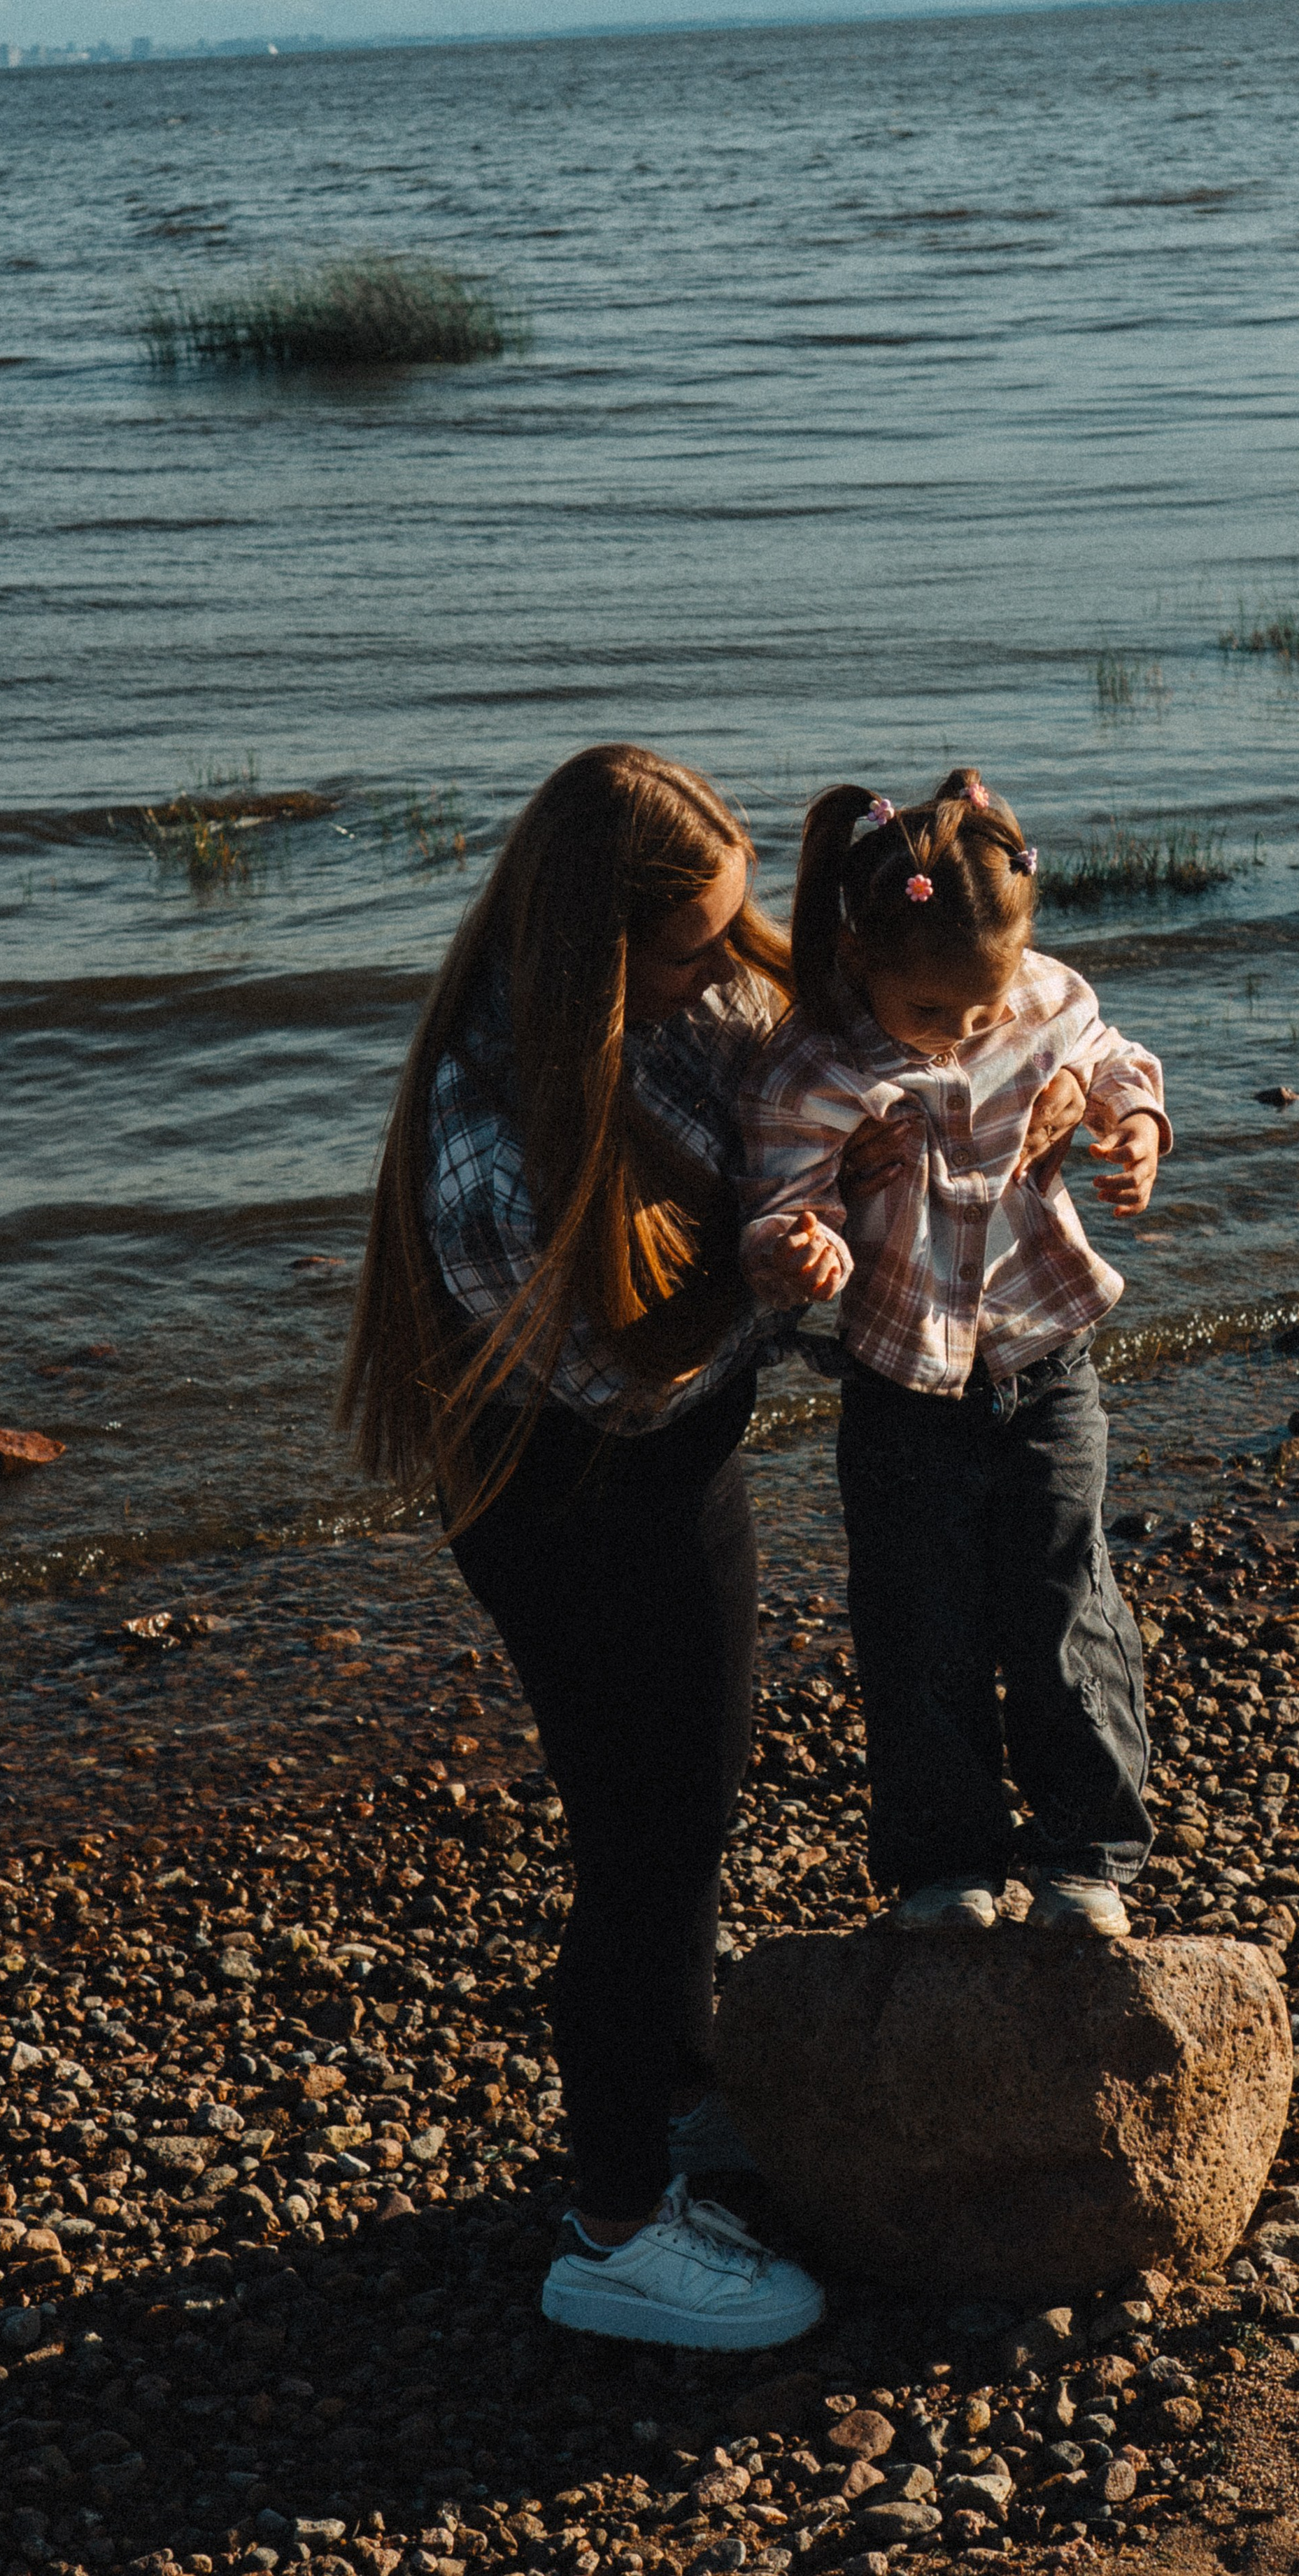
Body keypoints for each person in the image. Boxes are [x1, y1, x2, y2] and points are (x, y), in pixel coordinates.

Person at [339, 743, 1084, 2347]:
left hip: (677, 1462)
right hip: (557, 1494)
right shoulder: (490, 1129)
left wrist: (882, 1158)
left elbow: (830, 1070)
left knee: (699, 1791)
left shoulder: (688, 1014)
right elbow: (620, 1371)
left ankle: (677, 2103)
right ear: (596, 953)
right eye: (691, 946)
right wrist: (771, 1275)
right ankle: (612, 2228)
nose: (724, 972)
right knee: (645, 1840)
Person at [737, 769, 1169, 1938]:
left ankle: (1088, 1852)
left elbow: (1112, 1048)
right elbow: (782, 1204)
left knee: (1065, 1593)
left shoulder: (1033, 996)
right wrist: (802, 1246)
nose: (968, 1031)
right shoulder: (816, 1069)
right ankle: (947, 1864)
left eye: (982, 1010)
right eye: (933, 1015)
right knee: (916, 1617)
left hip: (1048, 1354)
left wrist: (1128, 1123)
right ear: (859, 960)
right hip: (899, 1380)